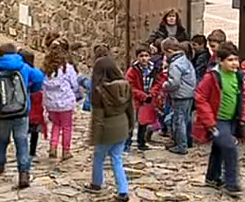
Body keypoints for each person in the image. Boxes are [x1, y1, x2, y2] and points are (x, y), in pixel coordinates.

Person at [193, 41, 245, 198]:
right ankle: (232, 183)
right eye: (230, 60)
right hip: (217, 121)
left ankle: (212, 177)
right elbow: (200, 98)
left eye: (236, 60)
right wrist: (210, 122)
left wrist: (244, 117)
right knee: (230, 147)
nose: (234, 63)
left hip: (233, 120)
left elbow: (244, 99)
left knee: (219, 149)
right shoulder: (211, 78)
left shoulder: (238, 77)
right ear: (221, 61)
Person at [0, 43, 44, 188]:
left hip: (2, 112)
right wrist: (31, 91)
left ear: (0, 55)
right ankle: (23, 173)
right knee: (21, 141)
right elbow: (39, 77)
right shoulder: (24, 67)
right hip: (22, 111)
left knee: (2, 138)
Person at [84, 55, 134, 202]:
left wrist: (95, 138)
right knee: (117, 159)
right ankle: (123, 190)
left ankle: (96, 183)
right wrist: (131, 125)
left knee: (99, 157)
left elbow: (98, 118)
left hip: (107, 128)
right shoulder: (125, 85)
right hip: (122, 126)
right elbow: (131, 109)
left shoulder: (99, 91)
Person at [42, 37, 79, 161]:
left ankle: (53, 147)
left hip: (51, 103)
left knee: (56, 125)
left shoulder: (46, 70)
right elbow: (74, 84)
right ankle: (66, 150)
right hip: (65, 102)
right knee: (67, 126)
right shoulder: (67, 68)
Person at [161, 37, 197, 155]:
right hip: (189, 93)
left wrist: (164, 85)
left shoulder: (175, 65)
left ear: (169, 51)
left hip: (180, 95)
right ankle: (187, 141)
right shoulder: (185, 60)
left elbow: (174, 82)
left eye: (165, 53)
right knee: (186, 119)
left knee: (179, 120)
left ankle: (181, 145)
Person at [125, 43, 160, 151]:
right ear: (137, 57)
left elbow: (158, 83)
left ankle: (141, 142)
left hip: (148, 99)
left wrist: (152, 93)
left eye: (146, 55)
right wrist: (143, 95)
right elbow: (130, 86)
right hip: (135, 99)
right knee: (131, 121)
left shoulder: (154, 69)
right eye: (141, 56)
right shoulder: (132, 71)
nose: (144, 58)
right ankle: (127, 143)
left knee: (143, 122)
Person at [19, 48, 46, 159]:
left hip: (24, 105)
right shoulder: (36, 74)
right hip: (35, 106)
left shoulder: (19, 73)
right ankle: (32, 151)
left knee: (22, 131)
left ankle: (23, 150)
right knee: (34, 130)